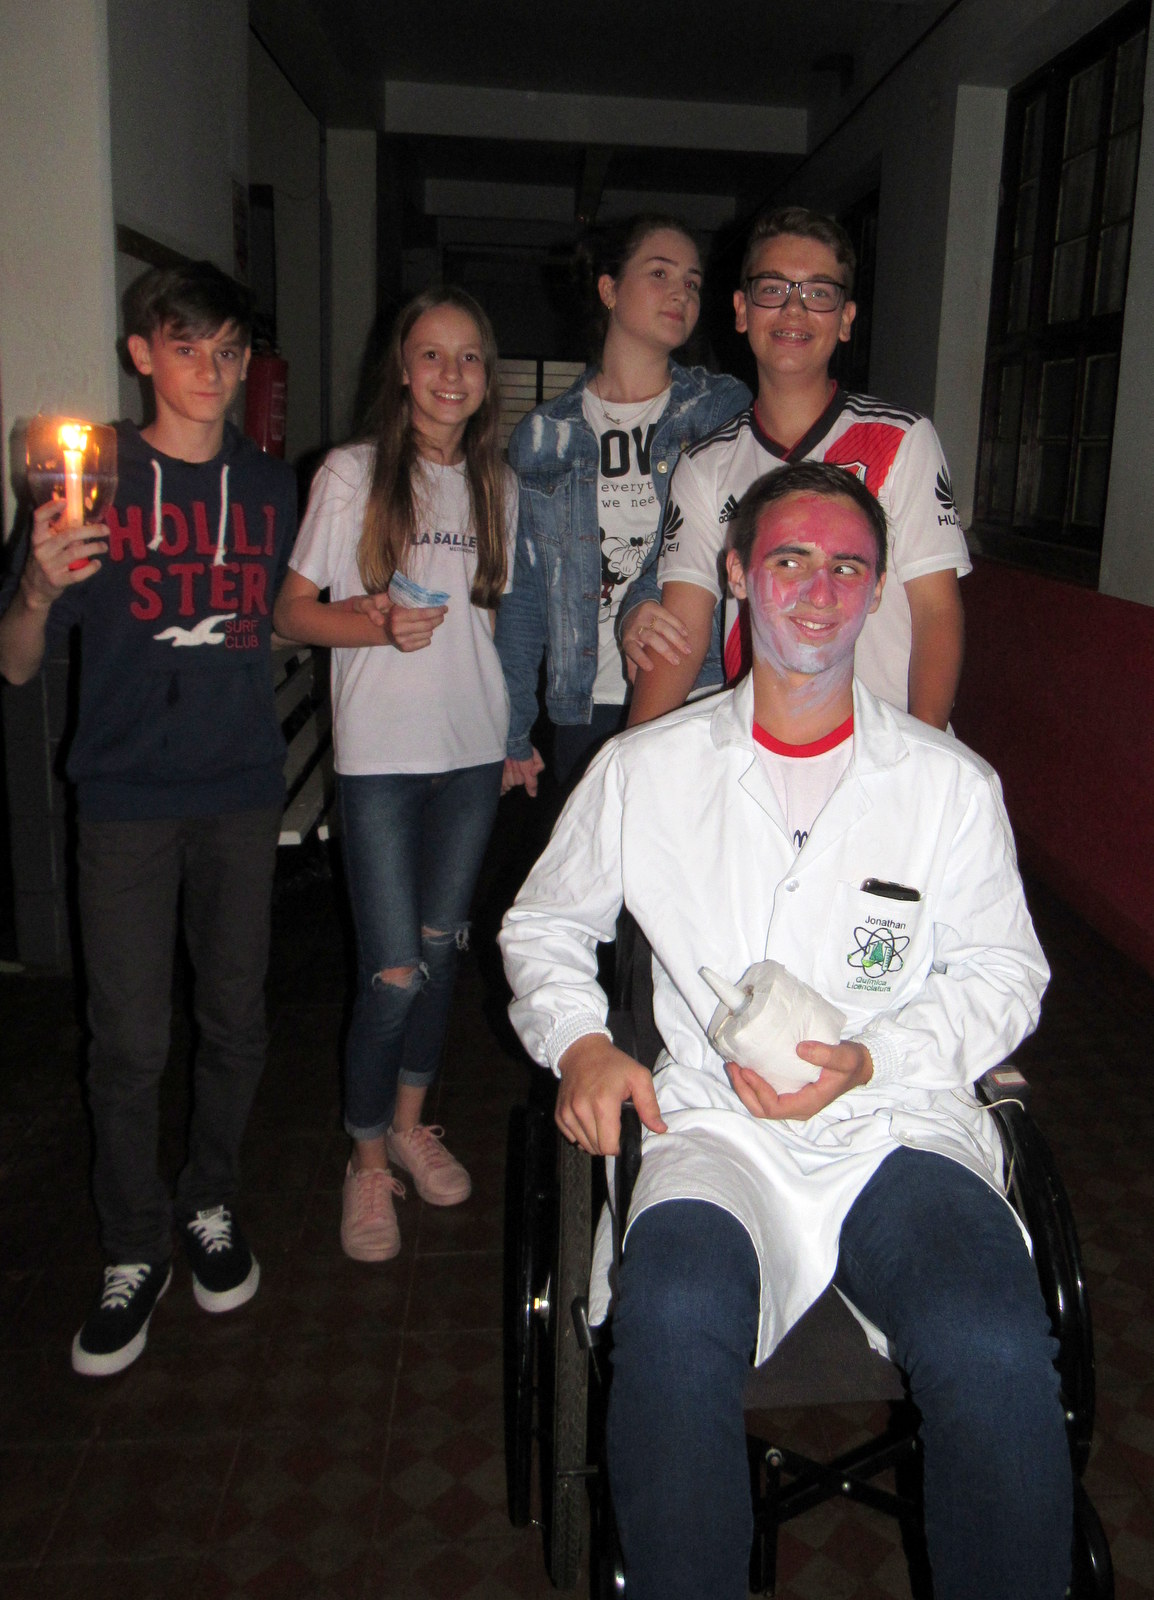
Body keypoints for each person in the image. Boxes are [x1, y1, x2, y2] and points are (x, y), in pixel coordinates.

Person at [500, 460, 1071, 1600]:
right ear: (736, 573)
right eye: (789, 559)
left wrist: (876, 1059)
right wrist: (583, 1043)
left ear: (879, 594)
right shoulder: (645, 770)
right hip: (718, 1132)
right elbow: (543, 924)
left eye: (849, 567)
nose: (819, 589)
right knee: (669, 1325)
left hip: (893, 1125)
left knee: (992, 1335)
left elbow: (1007, 972)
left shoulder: (947, 784)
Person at [0, 261, 297, 1376]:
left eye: (228, 351)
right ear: (141, 354)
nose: (211, 372)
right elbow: (14, 663)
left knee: (235, 1021)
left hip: (240, 788)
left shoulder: (268, 486)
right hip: (123, 797)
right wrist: (37, 588)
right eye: (186, 348)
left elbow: (280, 618)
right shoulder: (89, 478)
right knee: (128, 1042)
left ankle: (208, 1199)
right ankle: (132, 1246)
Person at [273, 287, 516, 1263]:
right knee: (391, 975)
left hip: (471, 753)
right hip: (379, 758)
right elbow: (291, 611)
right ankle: (366, 1159)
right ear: (402, 369)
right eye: (431, 355)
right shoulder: (352, 472)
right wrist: (371, 622)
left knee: (442, 953)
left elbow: (494, 625)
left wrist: (514, 735)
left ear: (485, 375)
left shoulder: (497, 483)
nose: (451, 374)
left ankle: (411, 1126)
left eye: (469, 356)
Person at [621, 206, 969, 732]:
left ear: (845, 319)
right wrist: (631, 758)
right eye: (773, 289)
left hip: (888, 745)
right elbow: (682, 632)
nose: (794, 309)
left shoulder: (902, 439)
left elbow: (937, 612)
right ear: (742, 310)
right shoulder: (705, 466)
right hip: (761, 753)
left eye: (818, 293)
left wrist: (922, 748)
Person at [495, 215, 748, 797]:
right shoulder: (545, 434)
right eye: (660, 274)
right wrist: (513, 728)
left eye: (692, 282)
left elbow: (726, 536)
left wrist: (645, 598)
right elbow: (525, 595)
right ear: (609, 289)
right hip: (586, 703)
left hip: (698, 689)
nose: (681, 293)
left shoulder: (719, 407)